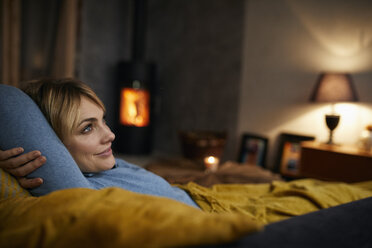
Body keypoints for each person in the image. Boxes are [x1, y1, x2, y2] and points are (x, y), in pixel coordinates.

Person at [0, 79, 199, 208]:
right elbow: (7, 99)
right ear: (53, 144)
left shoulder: (103, 167)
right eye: (87, 128)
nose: (110, 135)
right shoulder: (85, 191)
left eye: (102, 120)